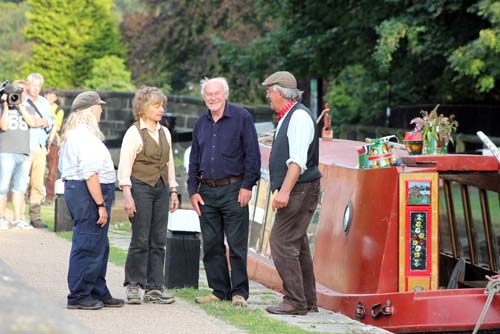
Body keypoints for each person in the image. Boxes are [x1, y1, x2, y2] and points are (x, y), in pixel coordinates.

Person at [188, 77, 260, 307]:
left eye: (216, 93)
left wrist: (247, 186)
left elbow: (252, 155)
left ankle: (239, 293)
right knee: (211, 244)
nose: (212, 97)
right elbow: (193, 160)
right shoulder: (200, 123)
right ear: (204, 97)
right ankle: (219, 290)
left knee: (237, 245)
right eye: (208, 94)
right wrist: (192, 191)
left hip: (234, 190)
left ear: (225, 94)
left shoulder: (242, 118)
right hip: (206, 192)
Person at [261, 71, 322, 315]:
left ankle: (295, 301)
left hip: (299, 189)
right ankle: (308, 300)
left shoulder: (298, 118)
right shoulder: (291, 115)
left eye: (269, 91)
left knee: (281, 241)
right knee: (298, 244)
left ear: (279, 92)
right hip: (299, 189)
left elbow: (297, 162)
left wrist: (284, 192)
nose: (267, 96)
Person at [59, 91, 124, 310]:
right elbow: (90, 173)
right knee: (87, 243)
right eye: (98, 106)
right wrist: (100, 205)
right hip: (88, 193)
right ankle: (79, 295)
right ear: (88, 111)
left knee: (98, 245)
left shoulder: (79, 134)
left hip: (84, 190)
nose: (101, 110)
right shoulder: (83, 137)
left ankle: (96, 289)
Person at [118, 86, 179, 304]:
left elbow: (169, 163)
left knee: (158, 239)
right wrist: (127, 195)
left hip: (161, 188)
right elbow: (124, 167)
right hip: (140, 187)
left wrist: (173, 190)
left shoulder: (165, 132)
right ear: (144, 108)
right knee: (140, 239)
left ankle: (154, 288)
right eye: (156, 105)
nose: (161, 109)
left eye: (162, 105)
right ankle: (134, 285)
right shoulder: (134, 133)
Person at [0, 80, 49, 229]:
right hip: (6, 151)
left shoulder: (26, 108)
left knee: (20, 188)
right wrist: (5, 105)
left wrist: (20, 105)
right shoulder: (2, 108)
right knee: (2, 187)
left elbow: (32, 123)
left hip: (23, 152)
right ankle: (1, 218)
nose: (17, 95)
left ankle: (17, 219)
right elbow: (4, 126)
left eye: (21, 92)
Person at [25, 73, 55, 228]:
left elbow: (51, 120)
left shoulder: (44, 102)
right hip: (25, 145)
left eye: (38, 86)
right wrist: (38, 122)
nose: (35, 88)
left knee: (37, 183)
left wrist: (46, 123)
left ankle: (35, 216)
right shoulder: (22, 101)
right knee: (21, 182)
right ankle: (16, 215)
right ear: (28, 85)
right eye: (33, 85)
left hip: (40, 146)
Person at [43, 87, 65, 205]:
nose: (50, 97)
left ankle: (49, 196)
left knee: (52, 171)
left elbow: (57, 126)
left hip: (54, 142)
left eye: (53, 95)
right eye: (49, 94)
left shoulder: (58, 110)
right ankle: (31, 194)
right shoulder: (39, 105)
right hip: (40, 139)